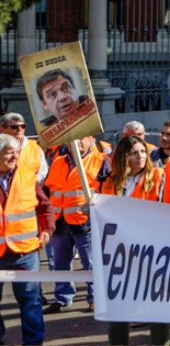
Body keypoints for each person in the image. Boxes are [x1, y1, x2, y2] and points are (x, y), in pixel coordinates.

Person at [98, 135, 170, 345]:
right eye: (133, 153)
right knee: (118, 308)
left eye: (142, 152)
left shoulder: (159, 176)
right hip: (119, 252)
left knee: (158, 308)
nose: (140, 156)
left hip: (153, 251)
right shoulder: (109, 182)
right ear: (123, 157)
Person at [43, 135, 109, 315]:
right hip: (60, 221)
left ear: (92, 140)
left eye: (82, 138)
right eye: (73, 138)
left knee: (91, 263)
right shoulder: (58, 161)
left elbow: (109, 189)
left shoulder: (100, 161)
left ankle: (95, 298)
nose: (77, 141)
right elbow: (48, 190)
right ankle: (62, 299)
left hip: (85, 221)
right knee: (60, 263)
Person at [0, 131, 53, 346]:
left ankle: (33, 343)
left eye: (15, 154)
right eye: (8, 155)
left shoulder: (27, 176)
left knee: (31, 302)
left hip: (26, 251)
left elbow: (44, 207)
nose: (14, 158)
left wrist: (47, 229)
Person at [0, 114, 49, 185]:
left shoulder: (35, 147)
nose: (20, 129)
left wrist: (27, 184)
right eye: (14, 127)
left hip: (27, 192)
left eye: (23, 126)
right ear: (2, 128)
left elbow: (43, 173)